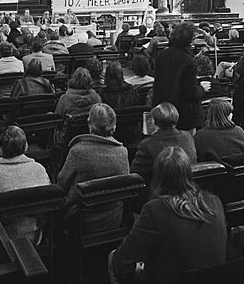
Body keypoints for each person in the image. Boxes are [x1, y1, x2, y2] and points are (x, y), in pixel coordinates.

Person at [109, 147, 227, 284]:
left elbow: (122, 260)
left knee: (113, 257)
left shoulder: (155, 210)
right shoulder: (214, 202)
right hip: (213, 279)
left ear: (158, 176)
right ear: (189, 173)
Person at [57, 103, 129, 233]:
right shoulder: (123, 152)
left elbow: (62, 184)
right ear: (114, 125)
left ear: (89, 123)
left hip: (81, 221)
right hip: (114, 218)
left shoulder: (78, 151)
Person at [0, 126, 51, 242]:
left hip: (3, 236)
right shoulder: (39, 169)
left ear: (0, 147)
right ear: (26, 146)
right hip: (33, 234)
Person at [152, 22, 210, 133]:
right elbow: (190, 92)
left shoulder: (162, 55)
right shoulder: (188, 60)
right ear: (189, 40)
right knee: (186, 144)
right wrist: (202, 89)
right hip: (183, 114)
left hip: (163, 109)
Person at [130, 103, 197, 184]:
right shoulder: (187, 136)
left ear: (154, 121)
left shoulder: (146, 145)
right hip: (188, 186)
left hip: (161, 190)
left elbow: (136, 174)